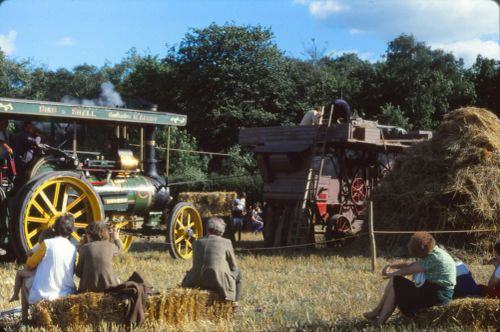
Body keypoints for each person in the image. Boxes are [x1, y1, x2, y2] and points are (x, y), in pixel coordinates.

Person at [363, 232, 456, 325]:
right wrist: (392, 265)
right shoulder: (433, 251)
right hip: (434, 291)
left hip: (438, 295)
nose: (416, 257)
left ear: (421, 251)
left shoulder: (434, 257)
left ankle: (379, 319)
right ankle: (378, 312)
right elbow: (412, 264)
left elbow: (409, 270)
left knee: (396, 281)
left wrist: (391, 274)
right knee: (395, 282)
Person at [21, 214, 77, 321]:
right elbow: (74, 269)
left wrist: (30, 256)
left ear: (55, 228)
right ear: (71, 230)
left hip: (44, 293)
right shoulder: (73, 248)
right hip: (67, 292)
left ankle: (25, 319)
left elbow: (30, 264)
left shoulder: (47, 244)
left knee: (24, 282)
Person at [181, 217, 242, 310]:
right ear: (222, 231)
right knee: (239, 272)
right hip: (217, 281)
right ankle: (235, 305)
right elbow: (234, 267)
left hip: (194, 281)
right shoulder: (226, 242)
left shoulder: (196, 242)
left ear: (207, 228)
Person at [9, 228, 56, 302]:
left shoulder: (43, 247)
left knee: (19, 271)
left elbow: (30, 263)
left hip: (38, 273)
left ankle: (15, 294)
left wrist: (30, 255)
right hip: (50, 276)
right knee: (23, 269)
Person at [75, 222, 122, 293]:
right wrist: (116, 238)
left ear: (89, 235)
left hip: (87, 290)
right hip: (109, 287)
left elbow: (78, 273)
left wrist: (81, 244)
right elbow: (119, 249)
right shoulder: (111, 246)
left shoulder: (84, 248)